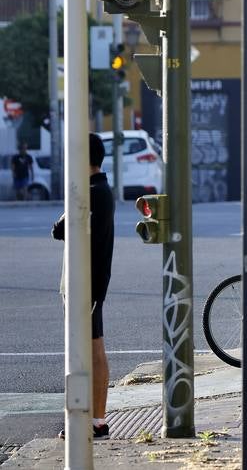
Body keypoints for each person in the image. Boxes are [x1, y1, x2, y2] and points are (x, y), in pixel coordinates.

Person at [52, 133, 115, 439]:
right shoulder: (100, 189)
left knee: (89, 350)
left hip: (85, 284)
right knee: (91, 347)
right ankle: (95, 419)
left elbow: (60, 229)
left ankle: (92, 420)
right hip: (88, 282)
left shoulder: (92, 191)